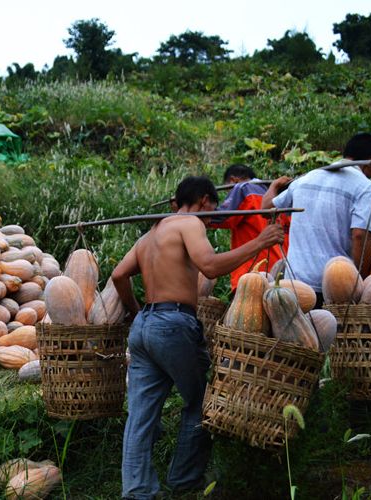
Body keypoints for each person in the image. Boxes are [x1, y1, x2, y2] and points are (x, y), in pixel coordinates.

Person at [112, 176, 285, 499]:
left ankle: (137, 491)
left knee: (140, 416)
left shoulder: (151, 234)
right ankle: (184, 479)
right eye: (215, 205)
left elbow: (119, 275)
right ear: (205, 200)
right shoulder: (190, 223)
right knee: (200, 401)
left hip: (145, 327)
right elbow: (210, 267)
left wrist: (138, 312)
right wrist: (261, 242)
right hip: (174, 322)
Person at [262, 132, 371, 308]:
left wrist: (273, 186)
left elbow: (266, 210)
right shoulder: (364, 186)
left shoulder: (306, 178)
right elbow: (360, 236)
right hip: (333, 289)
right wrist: (360, 284)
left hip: (294, 285)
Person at [209, 164, 290, 291]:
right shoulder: (281, 196)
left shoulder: (243, 188)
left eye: (227, 192)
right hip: (283, 276)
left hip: (252, 276)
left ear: (233, 180)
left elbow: (221, 218)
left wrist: (190, 211)